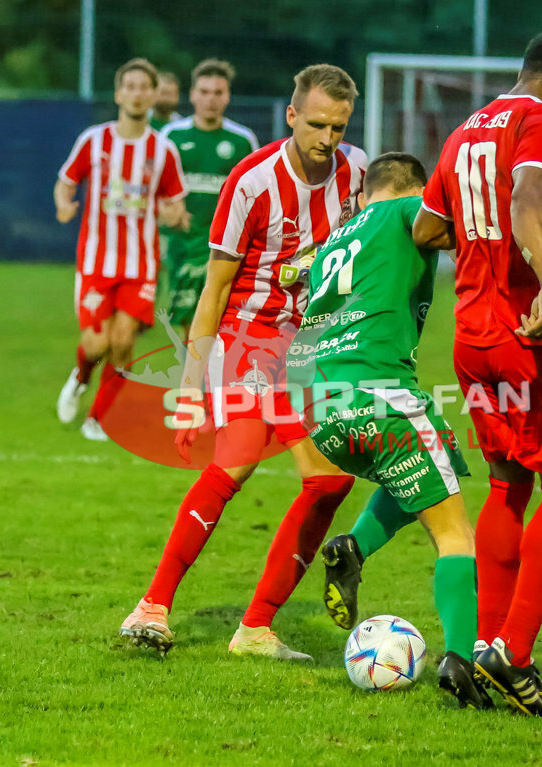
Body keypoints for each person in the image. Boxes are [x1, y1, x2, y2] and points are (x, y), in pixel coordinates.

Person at [119, 64, 368, 659]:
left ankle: (226, 622)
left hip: (310, 347)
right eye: (316, 124)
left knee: (300, 478)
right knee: (286, 474)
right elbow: (214, 291)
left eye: (338, 127)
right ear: (290, 115)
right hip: (248, 341)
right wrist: (189, 388)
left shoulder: (356, 170)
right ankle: (183, 613)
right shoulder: (251, 182)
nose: (327, 139)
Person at [414, 29, 542, 717]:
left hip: (473, 336)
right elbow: (528, 193)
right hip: (537, 337)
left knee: (507, 483)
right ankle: (512, 650)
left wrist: (479, 240)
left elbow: (426, 230)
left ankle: (482, 644)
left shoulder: (464, 130)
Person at [295, 152, 491, 709]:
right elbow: (455, 233)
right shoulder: (408, 209)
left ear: (362, 194)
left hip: (320, 407)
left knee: (439, 457)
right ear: (416, 191)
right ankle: (462, 659)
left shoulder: (332, 243)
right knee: (456, 535)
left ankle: (352, 548)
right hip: (381, 395)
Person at [54, 58, 189, 441]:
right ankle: (81, 377)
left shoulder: (163, 150)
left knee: (123, 341)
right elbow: (66, 180)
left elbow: (175, 201)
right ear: (118, 94)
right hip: (96, 262)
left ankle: (98, 419)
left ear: (153, 95)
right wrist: (64, 204)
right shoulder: (94, 141)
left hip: (141, 264)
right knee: (96, 343)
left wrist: (174, 214)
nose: (136, 94)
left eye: (144, 87)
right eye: (129, 86)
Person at [162, 59, 259, 339]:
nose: (211, 99)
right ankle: (197, 368)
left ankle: (212, 368)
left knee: (221, 324)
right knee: (189, 329)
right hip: (184, 244)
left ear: (227, 96)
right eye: (204, 92)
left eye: (218, 92)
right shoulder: (172, 136)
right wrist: (165, 210)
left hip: (226, 244)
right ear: (192, 95)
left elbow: (256, 191)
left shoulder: (242, 140)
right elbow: (155, 187)